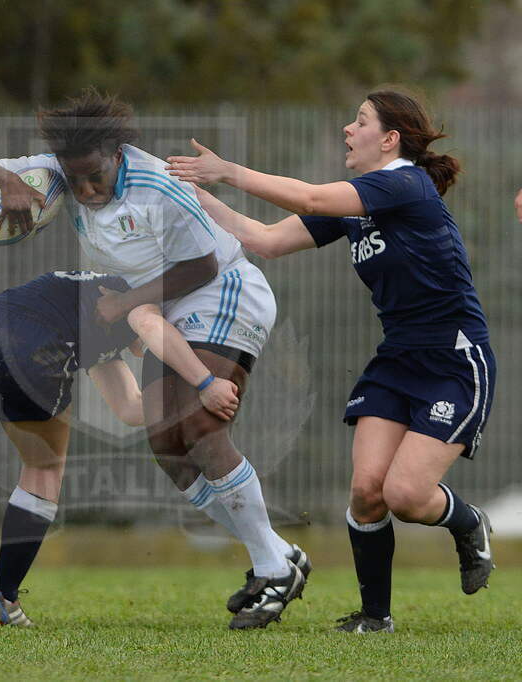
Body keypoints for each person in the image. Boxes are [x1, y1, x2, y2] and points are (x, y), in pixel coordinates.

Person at [0, 89, 311, 630]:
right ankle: (278, 554)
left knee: (198, 424)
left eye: (94, 176)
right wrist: (6, 178)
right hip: (163, 309)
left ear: (116, 153)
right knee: (167, 445)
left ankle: (272, 568)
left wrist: (125, 304)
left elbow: (201, 265)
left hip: (221, 290)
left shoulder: (159, 186)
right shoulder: (61, 167)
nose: (85, 190)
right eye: (75, 179)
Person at [166, 89, 497, 633]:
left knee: (406, 495)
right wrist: (192, 193)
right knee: (366, 493)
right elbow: (265, 240)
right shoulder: (356, 207)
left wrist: (227, 171)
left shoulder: (406, 183)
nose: (348, 129)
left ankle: (467, 522)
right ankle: (375, 618)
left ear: (390, 139)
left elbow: (313, 198)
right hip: (397, 360)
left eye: (360, 121)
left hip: (454, 359)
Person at [0, 270, 240, 627]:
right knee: (43, 471)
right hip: (30, 346)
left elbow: (129, 408)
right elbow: (152, 327)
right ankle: (3, 600)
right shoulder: (143, 298)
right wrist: (206, 383)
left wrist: (186, 402)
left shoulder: (94, 315)